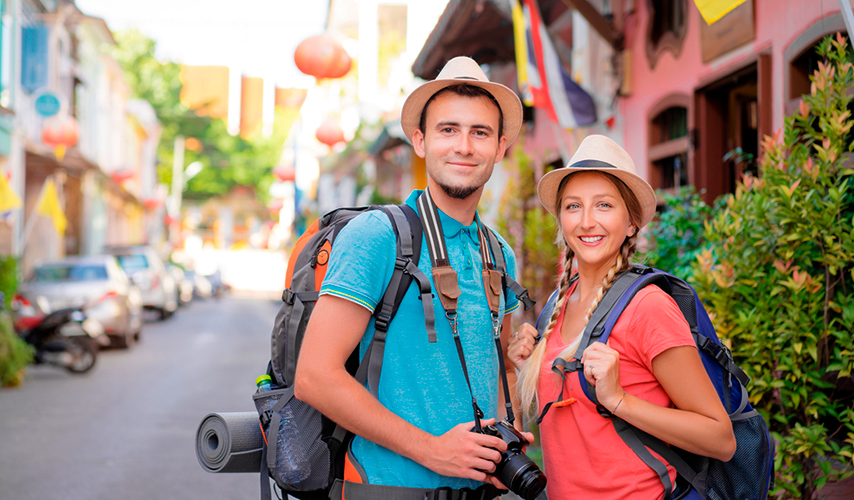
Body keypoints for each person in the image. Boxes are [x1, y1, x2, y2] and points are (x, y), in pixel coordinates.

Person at [295, 56, 532, 499]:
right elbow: (315, 376)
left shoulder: (498, 252)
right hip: (387, 490)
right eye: (448, 130)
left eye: (480, 133)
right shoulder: (378, 237)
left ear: (500, 148)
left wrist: (506, 434)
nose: (464, 145)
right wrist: (432, 451)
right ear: (420, 142)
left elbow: (498, 369)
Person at [507, 135, 736, 499]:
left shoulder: (648, 307)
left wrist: (619, 401)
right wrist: (526, 369)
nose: (586, 221)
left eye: (603, 205)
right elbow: (568, 423)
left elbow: (721, 439)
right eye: (572, 206)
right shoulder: (557, 304)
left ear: (631, 223)